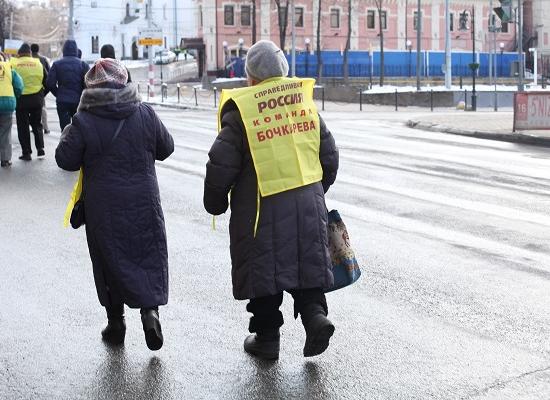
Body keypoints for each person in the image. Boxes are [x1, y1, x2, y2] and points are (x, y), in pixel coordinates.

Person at [203, 40, 339, 360]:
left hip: (260, 208)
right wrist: (317, 192)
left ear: (251, 78)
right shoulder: (303, 102)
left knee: (264, 271)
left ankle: (266, 339)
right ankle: (315, 316)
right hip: (308, 200)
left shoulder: (244, 111)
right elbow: (329, 157)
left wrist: (215, 201)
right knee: (306, 263)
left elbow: (220, 163)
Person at [55, 59, 174, 350]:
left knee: (108, 261)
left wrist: (73, 126)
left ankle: (116, 322)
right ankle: (150, 313)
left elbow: (65, 159)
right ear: (125, 81)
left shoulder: (84, 120)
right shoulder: (144, 113)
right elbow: (166, 148)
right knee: (147, 254)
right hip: (145, 202)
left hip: (103, 208)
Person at [11, 43, 47, 161]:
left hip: (21, 99)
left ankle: (26, 152)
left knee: (23, 126)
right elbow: (47, 81)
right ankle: (40, 148)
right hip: (36, 98)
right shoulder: (38, 63)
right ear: (30, 53)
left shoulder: (14, 63)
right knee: (37, 123)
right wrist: (42, 95)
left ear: (19, 54)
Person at [46, 40, 89, 131]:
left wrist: (58, 93)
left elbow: (50, 83)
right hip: (79, 101)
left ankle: (66, 144)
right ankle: (78, 145)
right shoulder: (83, 64)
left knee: (65, 129)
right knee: (79, 129)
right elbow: (89, 83)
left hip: (63, 101)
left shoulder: (57, 64)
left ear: (64, 50)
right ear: (76, 50)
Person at [0, 53, 24, 167]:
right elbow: (19, 85)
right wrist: (16, 95)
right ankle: (5, 160)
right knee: (5, 132)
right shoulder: (9, 67)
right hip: (7, 104)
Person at [31, 43, 50, 134]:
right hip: (41, 89)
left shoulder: (29, 60)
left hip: (30, 87)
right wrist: (45, 91)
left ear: (31, 50)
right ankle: (45, 127)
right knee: (42, 108)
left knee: (31, 109)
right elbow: (49, 75)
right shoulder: (43, 59)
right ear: (38, 50)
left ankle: (33, 126)